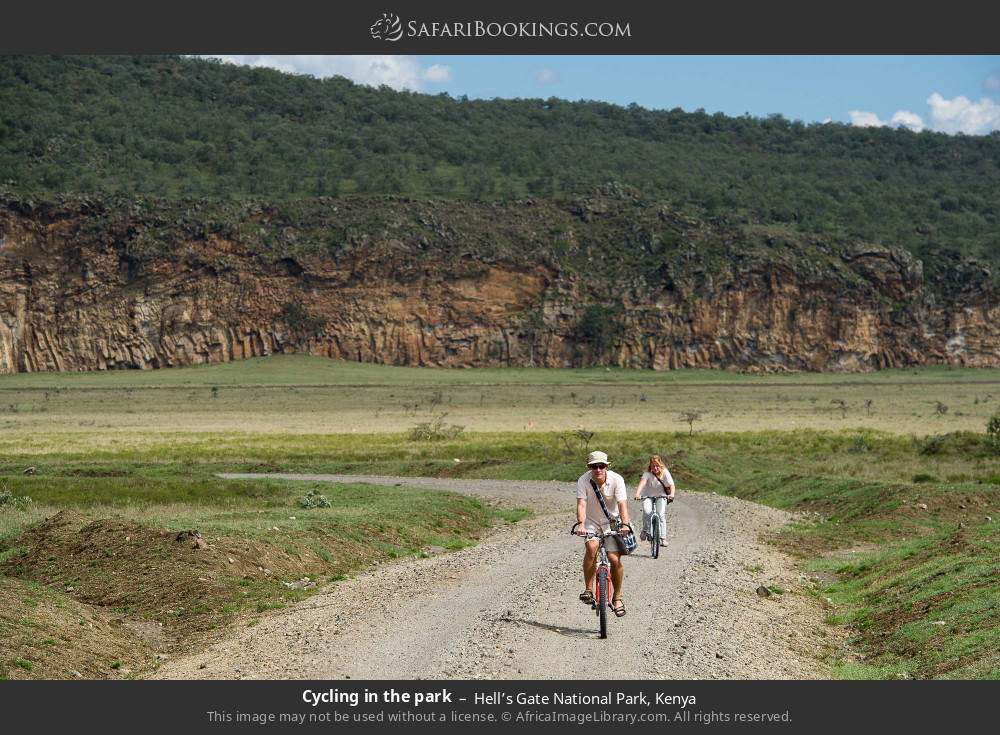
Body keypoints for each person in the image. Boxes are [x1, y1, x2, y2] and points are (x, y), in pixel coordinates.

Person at [575, 450, 633, 618]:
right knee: (591, 547)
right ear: (589, 467)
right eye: (594, 466)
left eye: (601, 466)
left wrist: (625, 524)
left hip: (612, 522)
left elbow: (622, 504)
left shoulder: (617, 480)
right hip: (591, 522)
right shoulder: (583, 480)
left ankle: (617, 598)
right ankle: (588, 589)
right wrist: (580, 524)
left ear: (607, 466)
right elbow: (581, 504)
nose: (598, 469)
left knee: (614, 559)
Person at [634, 454, 675, 546]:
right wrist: (638, 494)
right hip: (647, 496)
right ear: (650, 466)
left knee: (660, 514)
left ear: (660, 465)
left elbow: (671, 485)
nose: (655, 468)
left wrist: (671, 494)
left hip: (661, 496)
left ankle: (663, 538)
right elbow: (642, 484)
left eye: (657, 466)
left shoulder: (665, 472)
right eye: (653, 466)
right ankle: (645, 530)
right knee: (647, 511)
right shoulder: (647, 474)